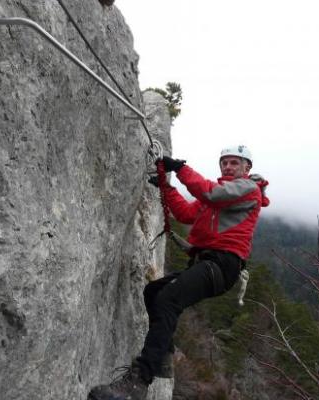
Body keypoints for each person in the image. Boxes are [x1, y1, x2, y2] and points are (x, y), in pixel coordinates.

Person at [88, 145, 270, 400]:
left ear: (246, 168)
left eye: (234, 163)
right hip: (205, 264)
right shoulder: (220, 197)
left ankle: (139, 382)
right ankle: (162, 356)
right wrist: (167, 188)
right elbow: (185, 214)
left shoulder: (248, 190)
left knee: (168, 299)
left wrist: (180, 169)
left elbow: (210, 193)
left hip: (222, 264)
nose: (227, 167)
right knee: (154, 291)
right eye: (224, 163)